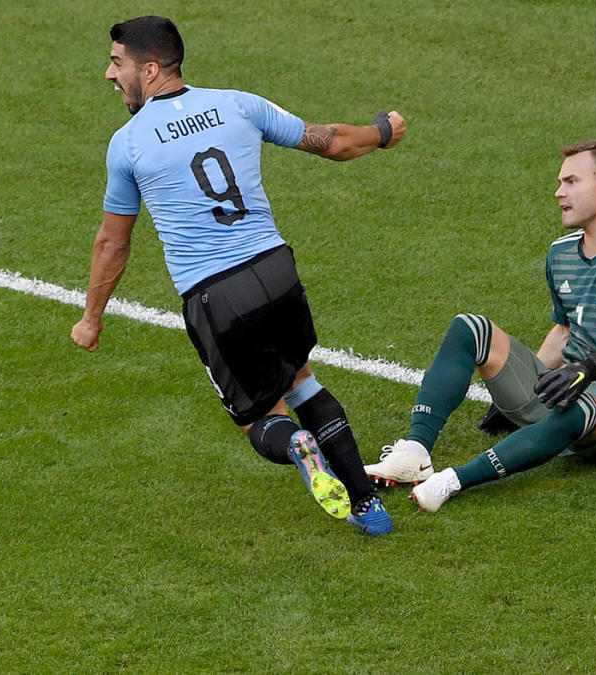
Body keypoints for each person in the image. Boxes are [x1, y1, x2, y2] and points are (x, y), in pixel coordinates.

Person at [71, 16, 405, 535]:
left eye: (118, 64)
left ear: (151, 69)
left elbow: (113, 241)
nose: (109, 75)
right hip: (276, 271)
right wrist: (382, 132)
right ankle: (367, 505)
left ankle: (297, 445)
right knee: (302, 381)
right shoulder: (238, 104)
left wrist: (91, 319)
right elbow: (331, 141)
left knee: (260, 419)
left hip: (214, 295)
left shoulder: (129, 143)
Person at [365, 141, 596, 512]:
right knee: (470, 328)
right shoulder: (560, 253)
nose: (559, 192)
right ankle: (415, 451)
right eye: (560, 182)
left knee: (578, 409)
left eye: (571, 181)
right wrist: (530, 390)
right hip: (568, 386)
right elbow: (564, 331)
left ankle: (455, 480)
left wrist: (589, 370)